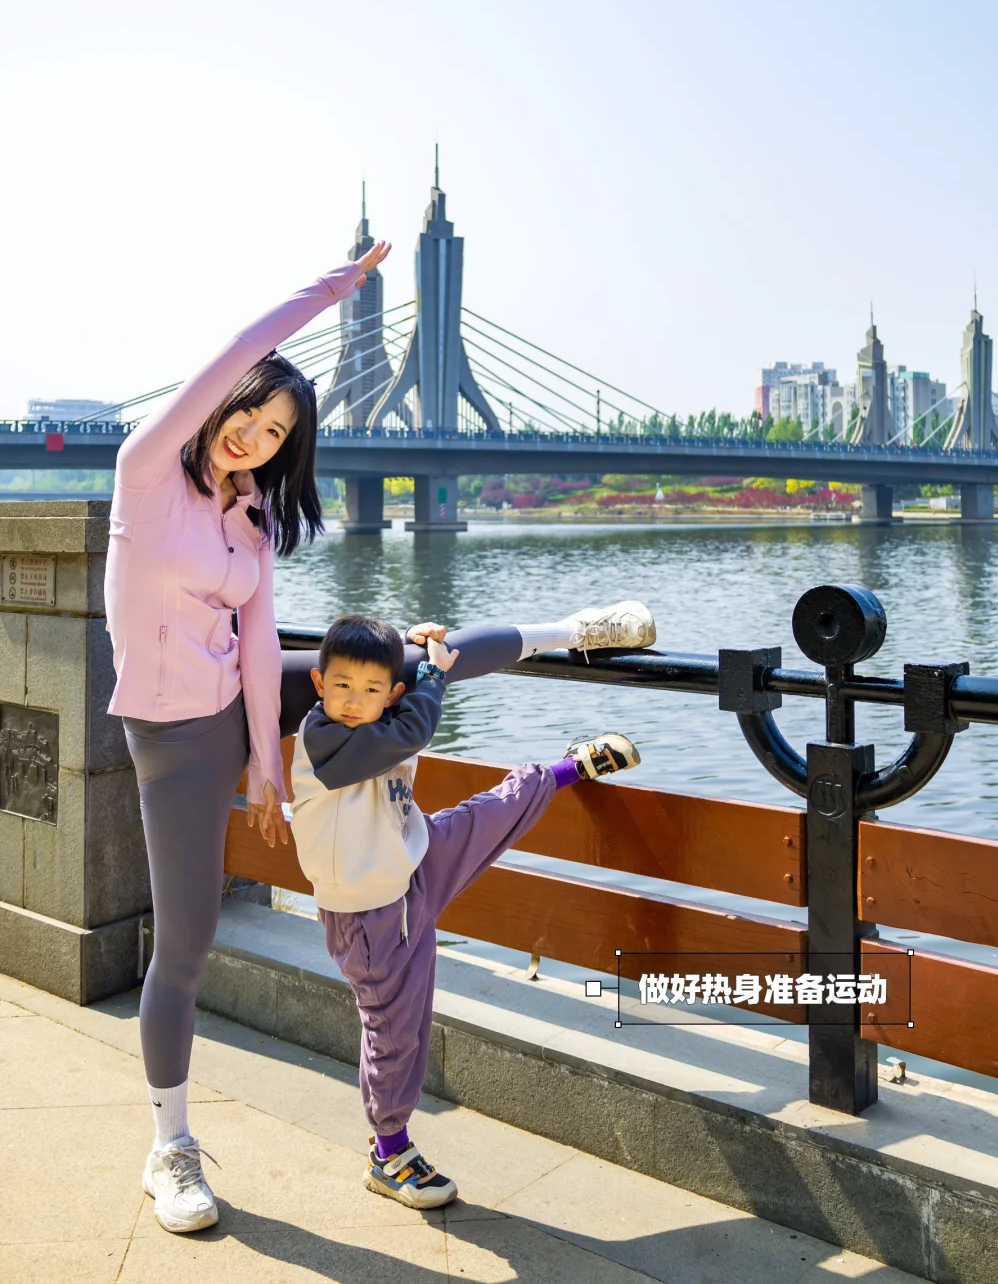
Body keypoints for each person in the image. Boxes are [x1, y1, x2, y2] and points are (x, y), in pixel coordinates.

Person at [104, 242, 657, 1234]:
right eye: (250, 416)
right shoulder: (145, 475)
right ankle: (170, 1150)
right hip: (173, 737)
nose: (255, 440)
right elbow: (239, 346)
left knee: (404, 657)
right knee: (185, 942)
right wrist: (332, 290)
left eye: (278, 435)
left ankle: (574, 629)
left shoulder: (249, 519)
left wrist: (267, 763)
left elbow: (259, 643)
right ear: (223, 401)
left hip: (237, 701)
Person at [287, 612, 642, 1210]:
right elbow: (412, 731)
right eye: (341, 685)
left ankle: (565, 769)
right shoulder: (324, 739)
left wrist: (414, 645)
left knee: (487, 816)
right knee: (394, 1034)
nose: (352, 700)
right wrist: (432, 675)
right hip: (370, 919)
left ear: (391, 691)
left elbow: (404, 721)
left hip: (414, 859)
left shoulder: (385, 715)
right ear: (319, 684)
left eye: (371, 688)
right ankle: (389, 1153)